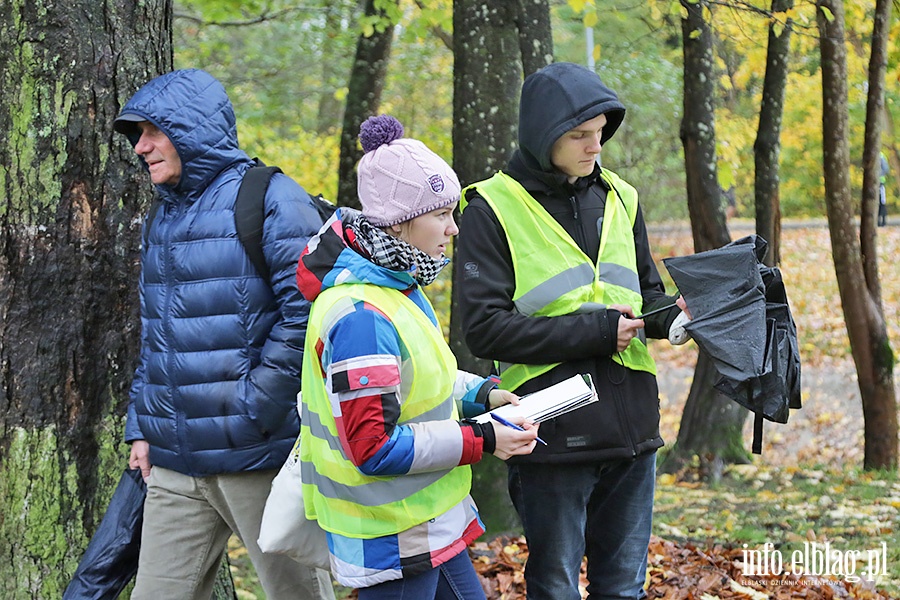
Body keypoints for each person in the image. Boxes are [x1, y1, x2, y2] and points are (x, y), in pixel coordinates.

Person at [455, 62, 690, 600]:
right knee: (556, 586)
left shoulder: (622, 196)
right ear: (543, 136)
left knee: (624, 587)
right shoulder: (491, 208)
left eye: (601, 134)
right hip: (549, 431)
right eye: (580, 136)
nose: (595, 147)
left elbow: (641, 295)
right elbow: (485, 331)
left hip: (632, 426)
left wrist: (674, 318)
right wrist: (598, 333)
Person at [295, 114, 540, 599]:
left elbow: (425, 380)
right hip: (391, 540)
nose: (453, 229)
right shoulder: (362, 315)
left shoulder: (398, 287)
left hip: (428, 527)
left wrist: (483, 395)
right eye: (440, 215)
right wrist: (482, 440)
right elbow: (373, 446)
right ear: (399, 223)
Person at [114, 69, 334, 600]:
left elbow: (310, 311)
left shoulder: (272, 198)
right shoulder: (162, 216)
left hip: (256, 456)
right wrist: (143, 426)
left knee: (300, 596)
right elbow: (157, 332)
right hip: (173, 462)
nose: (140, 147)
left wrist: (255, 406)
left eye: (150, 131)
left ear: (188, 128)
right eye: (137, 135)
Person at [879, 151, 889, 227]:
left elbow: (886, 169)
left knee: (882, 202)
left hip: (880, 183)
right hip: (874, 182)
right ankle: (878, 221)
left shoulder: (881, 156)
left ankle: (883, 221)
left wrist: (878, 174)